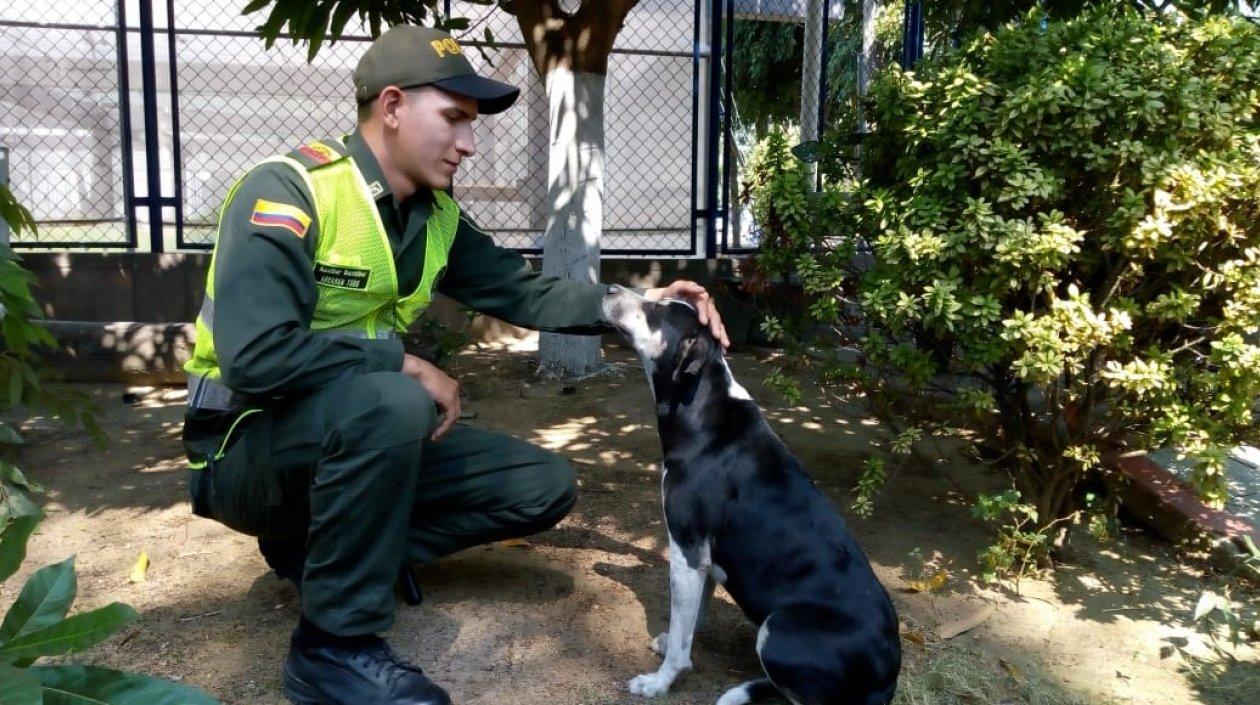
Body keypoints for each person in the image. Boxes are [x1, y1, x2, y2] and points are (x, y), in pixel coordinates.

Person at [181, 25, 728, 705]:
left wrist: (640, 306)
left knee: (540, 483)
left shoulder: (434, 216)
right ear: (390, 107)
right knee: (394, 402)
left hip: (347, 432)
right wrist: (403, 363)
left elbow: (526, 289)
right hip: (243, 446)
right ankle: (332, 647)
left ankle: (331, 557)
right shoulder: (291, 192)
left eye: (472, 125)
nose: (470, 143)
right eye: (454, 120)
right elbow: (256, 355)